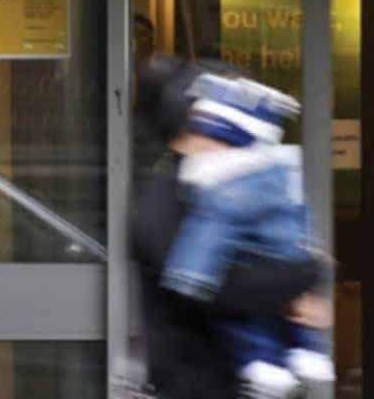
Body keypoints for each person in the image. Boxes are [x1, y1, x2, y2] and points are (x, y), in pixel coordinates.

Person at [130, 56, 330, 399]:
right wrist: (307, 273)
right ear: (188, 126)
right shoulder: (164, 201)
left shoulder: (225, 185)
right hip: (197, 385)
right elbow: (221, 290)